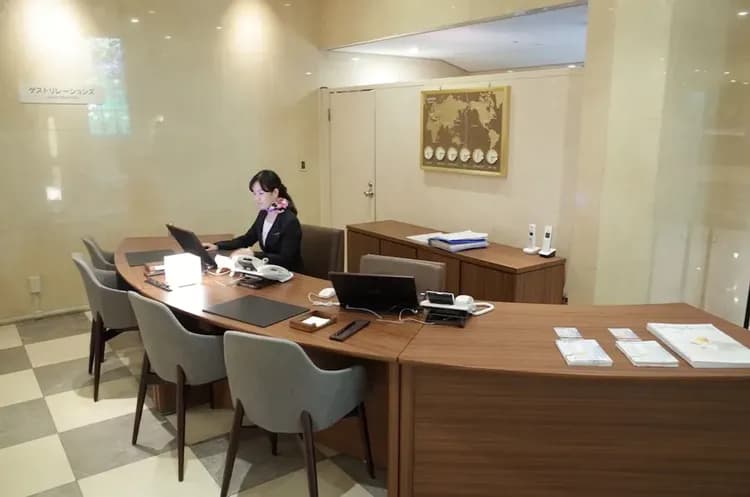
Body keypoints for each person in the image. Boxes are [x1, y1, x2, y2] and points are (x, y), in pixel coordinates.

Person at [204, 170, 303, 272]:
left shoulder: (289, 221)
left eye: (261, 193)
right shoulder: (264, 213)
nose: (256, 199)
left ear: (275, 193)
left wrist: (253, 255)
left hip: (291, 274)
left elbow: (286, 259)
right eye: (254, 194)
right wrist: (218, 245)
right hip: (270, 271)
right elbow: (247, 239)